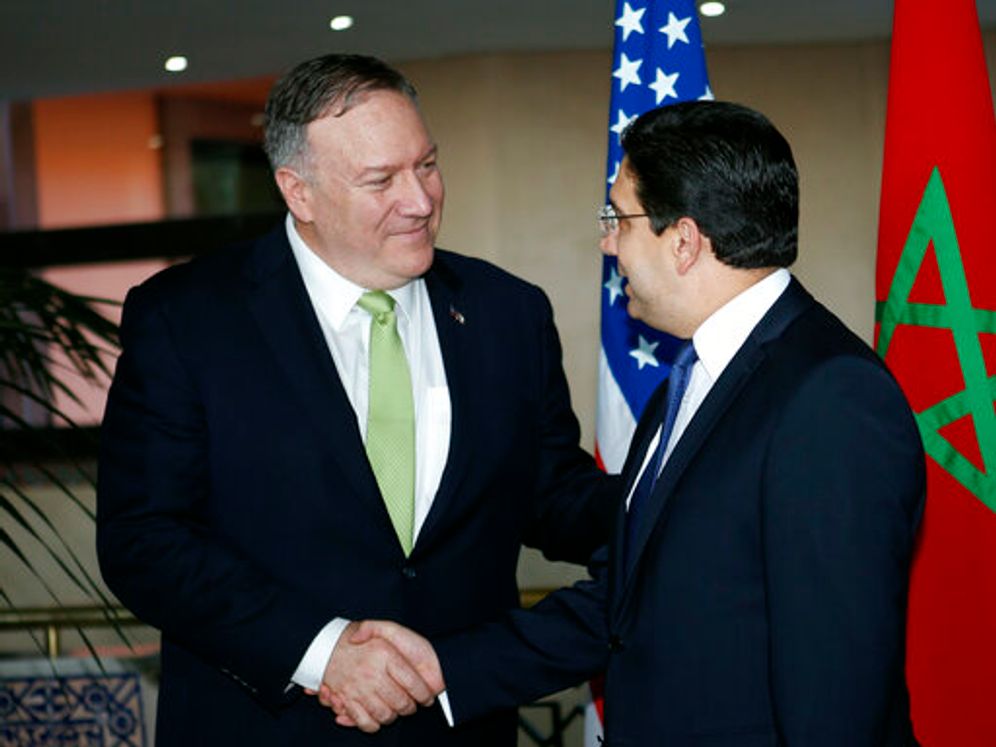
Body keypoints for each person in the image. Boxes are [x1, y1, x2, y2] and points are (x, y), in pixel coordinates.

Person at [337, 100, 927, 746]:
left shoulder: (831, 399)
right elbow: (630, 602)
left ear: (684, 242)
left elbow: (836, 699)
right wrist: (443, 666)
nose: (607, 241)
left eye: (619, 217)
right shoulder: (688, 382)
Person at [96, 53, 618, 746]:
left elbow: (550, 491)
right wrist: (325, 652)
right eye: (381, 180)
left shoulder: (506, 311)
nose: (421, 199)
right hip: (266, 727)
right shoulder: (188, 319)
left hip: (458, 726)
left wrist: (679, 496)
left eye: (426, 164)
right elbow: (145, 540)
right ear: (298, 192)